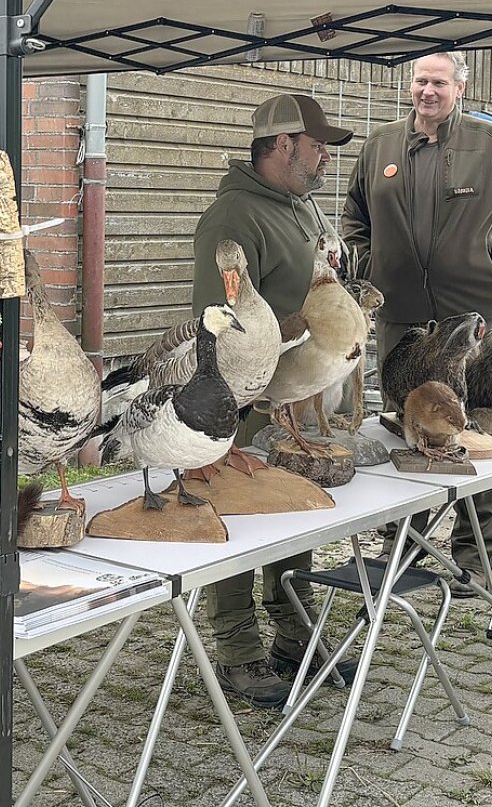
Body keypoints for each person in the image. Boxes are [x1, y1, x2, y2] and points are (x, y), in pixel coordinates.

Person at [342, 51, 492, 595]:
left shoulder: (489, 146)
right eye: (420, 81)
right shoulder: (380, 147)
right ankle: (402, 545)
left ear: (459, 88)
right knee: (406, 421)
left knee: (471, 424)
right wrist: (370, 264)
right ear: (409, 87)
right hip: (401, 315)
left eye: (439, 82)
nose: (428, 91)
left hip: (470, 312)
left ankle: (478, 556)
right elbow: (353, 216)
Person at [191, 92, 356, 709]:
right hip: (243, 401)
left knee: (288, 510)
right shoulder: (234, 219)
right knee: (238, 515)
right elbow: (221, 323)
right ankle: (236, 648)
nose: (322, 159)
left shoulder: (300, 207)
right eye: (316, 146)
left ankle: (293, 632)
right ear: (283, 144)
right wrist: (296, 330)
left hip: (293, 398)